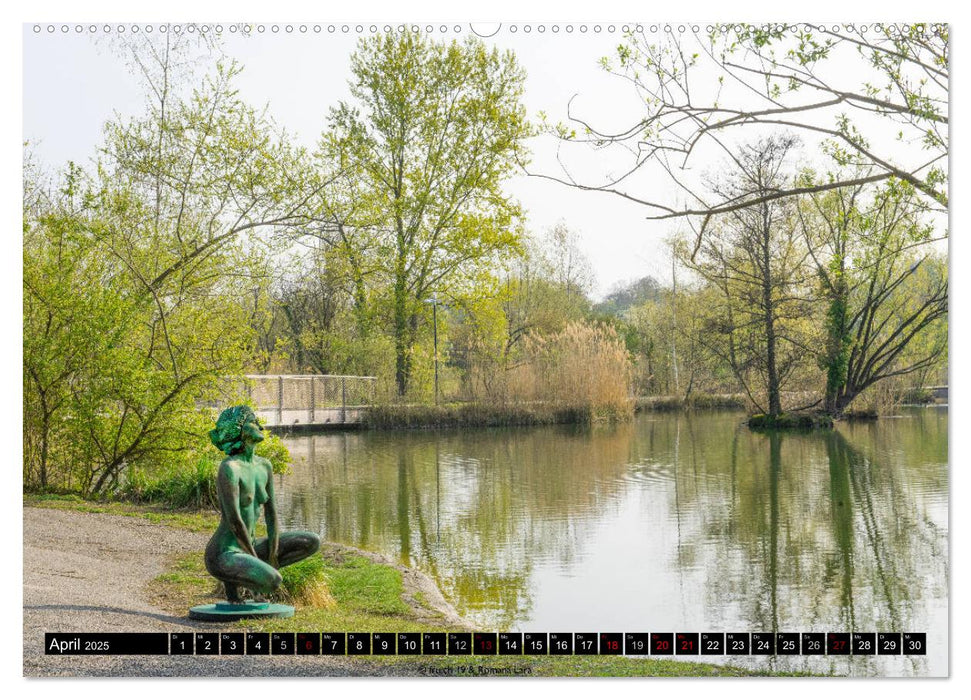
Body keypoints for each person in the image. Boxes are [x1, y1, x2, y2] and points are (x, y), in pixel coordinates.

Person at [205, 405, 320, 603]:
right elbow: (234, 522)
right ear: (239, 431)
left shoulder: (264, 465)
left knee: (311, 542)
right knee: (273, 581)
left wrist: (273, 553)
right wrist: (257, 560)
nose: (259, 425)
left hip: (251, 547)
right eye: (252, 422)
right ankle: (237, 583)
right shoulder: (229, 468)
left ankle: (253, 571)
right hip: (225, 552)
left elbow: (272, 514)